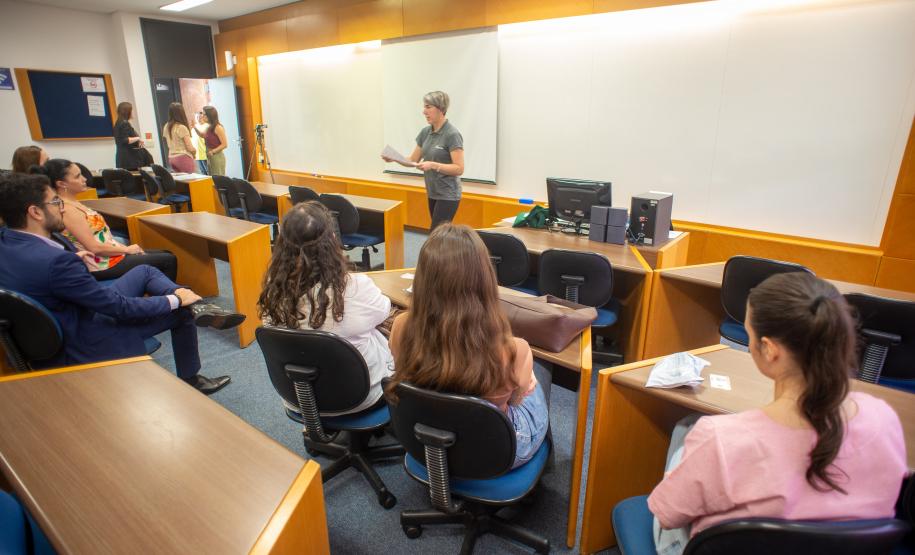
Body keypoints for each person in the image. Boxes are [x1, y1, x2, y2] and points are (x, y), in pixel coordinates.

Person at [636, 272, 907, 554]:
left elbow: (667, 515)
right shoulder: (884, 417)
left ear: (768, 349)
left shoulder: (721, 439)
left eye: (750, 336)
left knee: (685, 437)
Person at [0, 172, 243, 394]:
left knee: (144, 269)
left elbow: (41, 273)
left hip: (64, 317)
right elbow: (120, 308)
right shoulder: (57, 264)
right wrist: (175, 299)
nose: (62, 208)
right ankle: (192, 360)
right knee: (181, 312)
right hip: (85, 337)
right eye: (55, 202)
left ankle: (195, 304)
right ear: (35, 212)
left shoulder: (8, 242)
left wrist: (72, 259)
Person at [385, 223, 549, 468]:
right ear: (484, 279)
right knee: (541, 378)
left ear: (423, 278)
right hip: (494, 451)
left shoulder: (399, 327)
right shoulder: (514, 349)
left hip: (425, 436)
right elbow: (515, 403)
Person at [258, 201, 394, 415]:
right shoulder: (353, 288)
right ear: (331, 241)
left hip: (299, 397)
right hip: (361, 398)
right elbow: (384, 310)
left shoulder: (273, 289)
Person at [32, 158, 178, 281]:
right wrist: (127, 249)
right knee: (167, 260)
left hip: (109, 256)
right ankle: (168, 305)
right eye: (77, 177)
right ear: (62, 184)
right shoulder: (68, 210)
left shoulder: (72, 203)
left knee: (166, 253)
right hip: (101, 264)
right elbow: (94, 248)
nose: (84, 179)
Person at [382, 91, 464, 230]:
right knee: (440, 236)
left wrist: (433, 165)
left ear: (440, 108)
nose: (424, 111)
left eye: (428, 107)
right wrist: (395, 158)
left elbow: (459, 168)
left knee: (435, 234)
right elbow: (413, 160)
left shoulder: (452, 134)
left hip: (448, 194)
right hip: (432, 191)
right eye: (424, 107)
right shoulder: (425, 132)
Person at [162, 102, 196, 173]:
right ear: (181, 113)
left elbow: (167, 142)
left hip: (171, 157)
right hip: (183, 157)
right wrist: (194, 152)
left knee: (181, 182)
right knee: (190, 181)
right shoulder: (181, 127)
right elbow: (189, 147)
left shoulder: (166, 126)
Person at [113, 101, 148, 170]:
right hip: (129, 159)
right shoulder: (124, 123)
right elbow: (125, 140)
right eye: (132, 110)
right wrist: (138, 138)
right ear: (127, 112)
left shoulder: (118, 122)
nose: (133, 113)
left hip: (122, 158)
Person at [195, 105, 228, 176]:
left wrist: (213, 151)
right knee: (212, 178)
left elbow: (224, 144)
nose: (202, 116)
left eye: (204, 114)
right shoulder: (209, 127)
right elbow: (202, 135)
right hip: (210, 156)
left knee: (218, 179)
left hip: (216, 156)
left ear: (209, 116)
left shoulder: (218, 127)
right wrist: (194, 127)